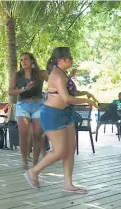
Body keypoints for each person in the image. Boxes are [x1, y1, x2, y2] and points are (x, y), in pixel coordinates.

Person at [25, 47, 97, 194]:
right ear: (61, 60)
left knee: (70, 149)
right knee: (60, 151)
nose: (72, 59)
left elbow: (70, 92)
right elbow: (67, 98)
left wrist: (75, 81)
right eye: (69, 57)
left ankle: (68, 184)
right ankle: (33, 171)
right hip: (53, 115)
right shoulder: (57, 75)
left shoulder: (63, 73)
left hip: (66, 114)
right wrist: (86, 101)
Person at [8, 52, 48, 169]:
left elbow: (54, 82)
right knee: (23, 134)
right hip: (23, 105)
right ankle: (24, 160)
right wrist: (23, 89)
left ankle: (35, 163)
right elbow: (10, 91)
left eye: (25, 59)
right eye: (21, 60)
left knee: (37, 135)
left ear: (32, 61)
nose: (23, 62)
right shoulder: (17, 75)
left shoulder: (41, 73)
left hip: (38, 105)